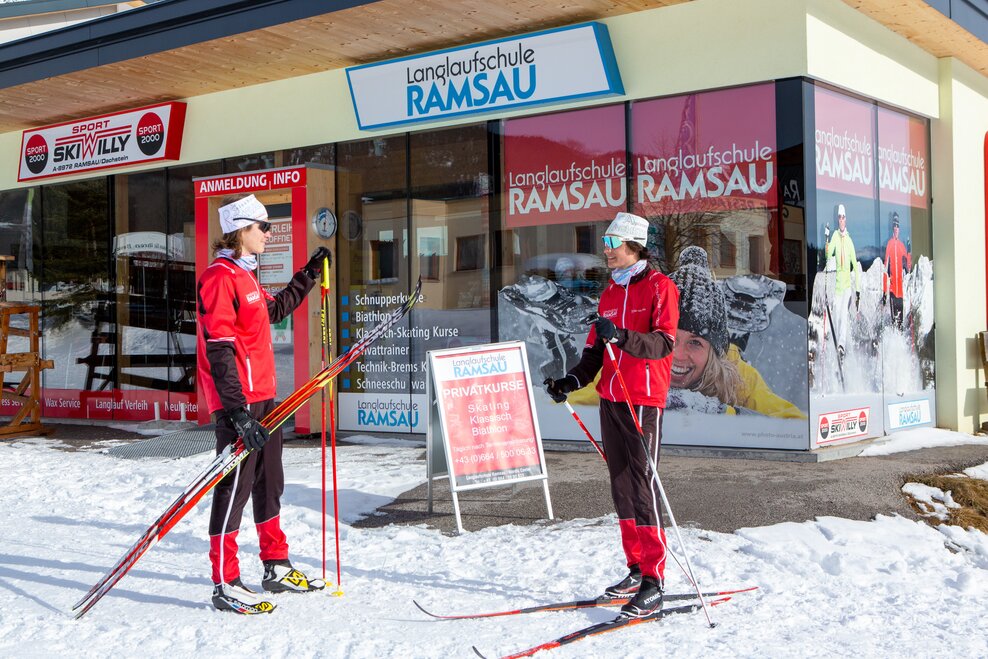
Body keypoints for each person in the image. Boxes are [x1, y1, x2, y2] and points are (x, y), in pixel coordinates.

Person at [196, 193, 331, 614]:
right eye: (263, 226)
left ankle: (274, 565)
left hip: (266, 398)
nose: (269, 234)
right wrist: (235, 411)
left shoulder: (246, 275)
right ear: (241, 230)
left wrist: (307, 275)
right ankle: (225, 581)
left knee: (270, 483)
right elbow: (218, 348)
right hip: (239, 404)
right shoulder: (219, 277)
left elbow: (274, 311)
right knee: (233, 490)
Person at [543, 211, 679, 618]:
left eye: (612, 244)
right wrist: (570, 381)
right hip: (612, 398)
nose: (606, 251)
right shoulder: (608, 294)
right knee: (620, 484)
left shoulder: (660, 287)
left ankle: (655, 580)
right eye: (605, 243)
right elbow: (594, 354)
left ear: (634, 245)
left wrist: (622, 336)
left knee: (642, 485)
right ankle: (636, 570)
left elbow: (664, 344)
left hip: (644, 400)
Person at [668, 247, 804, 419]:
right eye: (669, 338)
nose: (678, 354)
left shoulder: (735, 376)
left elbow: (795, 423)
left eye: (695, 342)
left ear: (714, 351)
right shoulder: (631, 363)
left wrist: (726, 414)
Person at [824, 203, 861, 361]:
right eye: (839, 217)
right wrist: (826, 240)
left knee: (843, 316)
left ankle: (842, 346)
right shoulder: (834, 237)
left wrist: (857, 290)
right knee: (837, 317)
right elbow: (828, 255)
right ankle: (839, 351)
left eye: (843, 217)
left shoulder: (850, 242)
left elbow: (856, 267)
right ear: (837, 219)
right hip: (837, 288)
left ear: (846, 219)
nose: (841, 220)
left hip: (846, 287)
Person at [883, 212, 912, 330]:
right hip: (892, 290)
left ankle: (899, 346)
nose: (896, 228)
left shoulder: (901, 246)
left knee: (900, 324)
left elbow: (908, 267)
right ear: (892, 228)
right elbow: (885, 270)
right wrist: (884, 291)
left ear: (899, 229)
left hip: (901, 292)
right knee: (894, 322)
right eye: (894, 225)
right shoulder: (889, 244)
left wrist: (909, 251)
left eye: (897, 225)